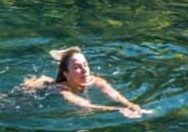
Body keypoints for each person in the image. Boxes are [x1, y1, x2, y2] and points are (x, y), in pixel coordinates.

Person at [23, 47, 152, 119]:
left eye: (86, 65)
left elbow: (115, 95)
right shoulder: (61, 90)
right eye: (77, 67)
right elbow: (85, 105)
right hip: (31, 95)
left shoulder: (95, 80)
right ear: (66, 74)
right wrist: (119, 109)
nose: (85, 70)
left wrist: (131, 105)